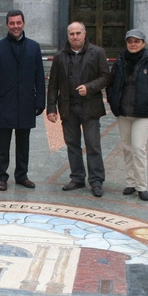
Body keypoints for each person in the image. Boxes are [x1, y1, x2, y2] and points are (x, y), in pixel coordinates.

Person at [47, 22, 111, 197]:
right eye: (71, 34)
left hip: (90, 107)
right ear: (68, 36)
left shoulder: (97, 52)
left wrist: (89, 87)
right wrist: (51, 108)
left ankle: (96, 181)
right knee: (72, 145)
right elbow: (53, 84)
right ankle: (77, 177)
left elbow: (106, 77)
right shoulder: (60, 56)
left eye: (78, 33)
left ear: (84, 34)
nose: (75, 37)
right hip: (69, 108)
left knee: (93, 145)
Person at [0, 10, 45, 191]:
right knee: (2, 144)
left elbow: (39, 77)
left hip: (26, 102)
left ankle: (21, 175)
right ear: (7, 25)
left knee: (23, 143)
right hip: (5, 103)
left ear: (24, 23)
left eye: (18, 23)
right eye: (12, 23)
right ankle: (1, 177)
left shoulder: (34, 47)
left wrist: (40, 101)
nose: (15, 26)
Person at [106, 29, 148, 201]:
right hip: (124, 112)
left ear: (143, 43)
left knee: (138, 148)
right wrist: (113, 101)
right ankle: (131, 182)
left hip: (143, 113)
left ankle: (142, 186)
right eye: (130, 41)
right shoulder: (120, 61)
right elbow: (111, 83)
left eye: (136, 41)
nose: (133, 44)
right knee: (127, 148)